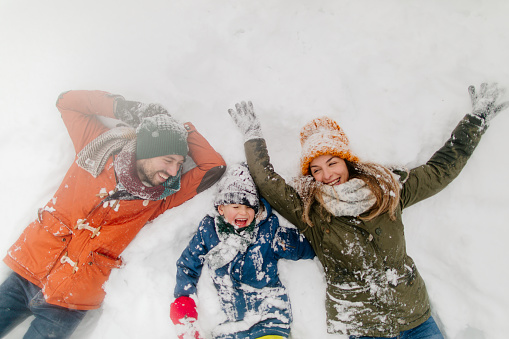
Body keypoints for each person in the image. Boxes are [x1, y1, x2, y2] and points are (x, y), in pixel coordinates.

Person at [227, 83, 509, 339]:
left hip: (415, 320)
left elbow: (440, 170)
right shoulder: (310, 212)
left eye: (332, 162)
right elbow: (266, 181)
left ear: (347, 161)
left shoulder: (387, 191)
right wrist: (252, 136)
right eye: (316, 169)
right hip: (363, 327)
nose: (326, 174)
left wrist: (476, 120)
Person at [0, 90, 226, 338]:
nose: (174, 171)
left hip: (69, 304)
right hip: (24, 276)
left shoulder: (162, 196)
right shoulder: (95, 149)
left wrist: (180, 130)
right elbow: (67, 103)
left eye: (179, 163)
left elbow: (213, 166)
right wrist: (124, 108)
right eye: (168, 159)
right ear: (146, 150)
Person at [170, 163, 315, 339]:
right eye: (236, 207)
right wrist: (183, 299)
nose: (244, 212)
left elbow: (308, 247)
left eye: (249, 207)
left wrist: (292, 242)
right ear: (221, 208)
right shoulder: (208, 231)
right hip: (231, 325)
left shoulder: (267, 232)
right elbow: (188, 264)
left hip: (269, 318)